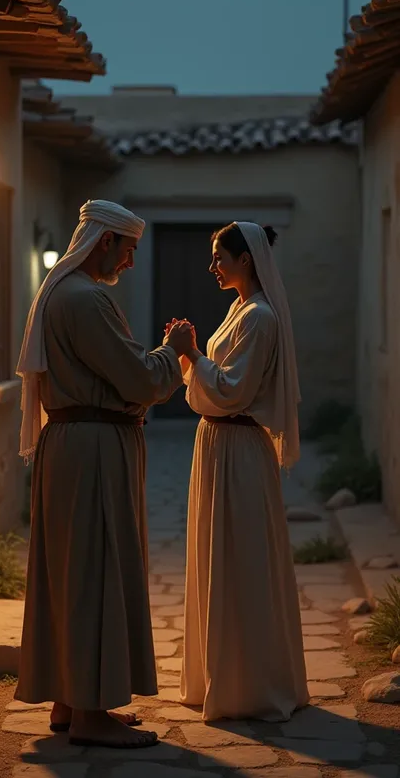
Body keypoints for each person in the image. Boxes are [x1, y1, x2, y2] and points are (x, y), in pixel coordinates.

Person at [15, 200, 189, 749]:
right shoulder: (87, 299)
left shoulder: (60, 292)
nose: (132, 262)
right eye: (129, 249)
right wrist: (175, 351)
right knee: (93, 569)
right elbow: (137, 380)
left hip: (74, 444)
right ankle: (90, 717)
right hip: (90, 449)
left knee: (76, 570)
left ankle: (70, 702)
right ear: (105, 241)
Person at [174, 221, 309, 722]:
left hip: (239, 448)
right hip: (217, 443)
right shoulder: (240, 309)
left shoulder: (261, 319)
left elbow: (233, 389)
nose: (213, 267)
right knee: (218, 556)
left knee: (243, 560)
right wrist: (192, 356)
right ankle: (220, 678)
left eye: (219, 258)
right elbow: (219, 379)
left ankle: (251, 686)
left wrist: (190, 353)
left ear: (245, 260)